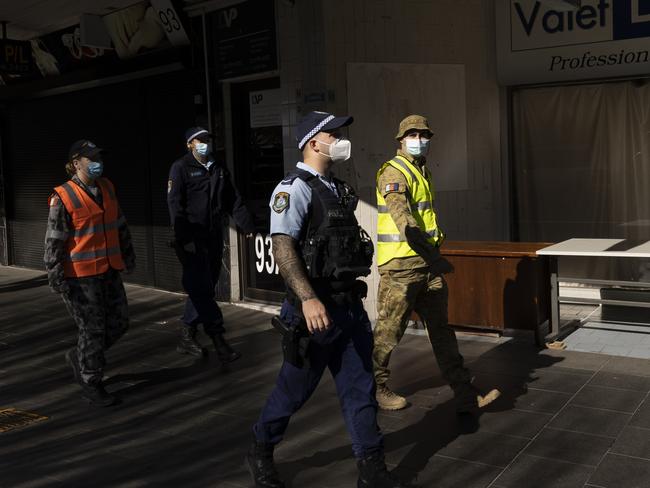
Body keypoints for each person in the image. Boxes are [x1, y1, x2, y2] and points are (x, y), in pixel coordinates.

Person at [246, 111, 409, 488]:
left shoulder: (336, 188)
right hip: (314, 313)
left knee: (360, 390)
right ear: (313, 141)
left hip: (348, 309)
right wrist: (307, 299)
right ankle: (260, 449)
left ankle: (372, 470)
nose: (339, 140)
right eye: (333, 134)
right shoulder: (293, 189)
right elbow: (284, 250)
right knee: (293, 391)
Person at [373, 115, 500, 412]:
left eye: (423, 134)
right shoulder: (393, 173)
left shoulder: (423, 172)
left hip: (427, 267)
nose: (419, 139)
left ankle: (463, 390)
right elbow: (403, 219)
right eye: (412, 134)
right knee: (389, 333)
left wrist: (432, 258)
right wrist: (435, 258)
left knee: (441, 330)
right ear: (400, 140)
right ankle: (375, 387)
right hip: (401, 267)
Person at [44, 139, 135, 407]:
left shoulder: (106, 187)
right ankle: (91, 380)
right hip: (79, 276)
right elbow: (54, 240)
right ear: (76, 164)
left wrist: (128, 255)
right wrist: (55, 274)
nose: (98, 163)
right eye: (91, 158)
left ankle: (81, 356)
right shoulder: (63, 196)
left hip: (108, 269)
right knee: (93, 329)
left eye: (99, 157)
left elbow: (119, 224)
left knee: (120, 323)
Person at [167, 127, 255, 362]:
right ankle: (218, 337)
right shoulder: (181, 168)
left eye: (207, 139)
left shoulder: (218, 167)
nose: (205, 143)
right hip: (192, 239)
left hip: (214, 234)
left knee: (206, 286)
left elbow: (232, 198)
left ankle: (187, 333)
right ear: (190, 144)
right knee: (201, 287)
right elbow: (175, 205)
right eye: (200, 140)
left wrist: (246, 225)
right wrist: (183, 238)